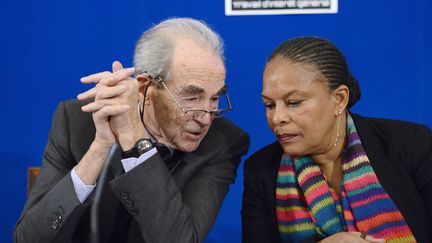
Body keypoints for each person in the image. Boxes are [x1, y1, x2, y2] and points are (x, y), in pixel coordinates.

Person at [14, 17, 250, 243]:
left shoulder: (223, 143)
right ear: (145, 88)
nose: (206, 117)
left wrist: (134, 138)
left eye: (215, 98)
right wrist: (99, 148)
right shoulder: (77, 121)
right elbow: (28, 238)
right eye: (192, 98)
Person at [241, 36, 432, 242]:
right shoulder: (260, 170)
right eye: (269, 105)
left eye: (294, 102)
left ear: (339, 99)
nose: (277, 118)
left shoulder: (412, 144)